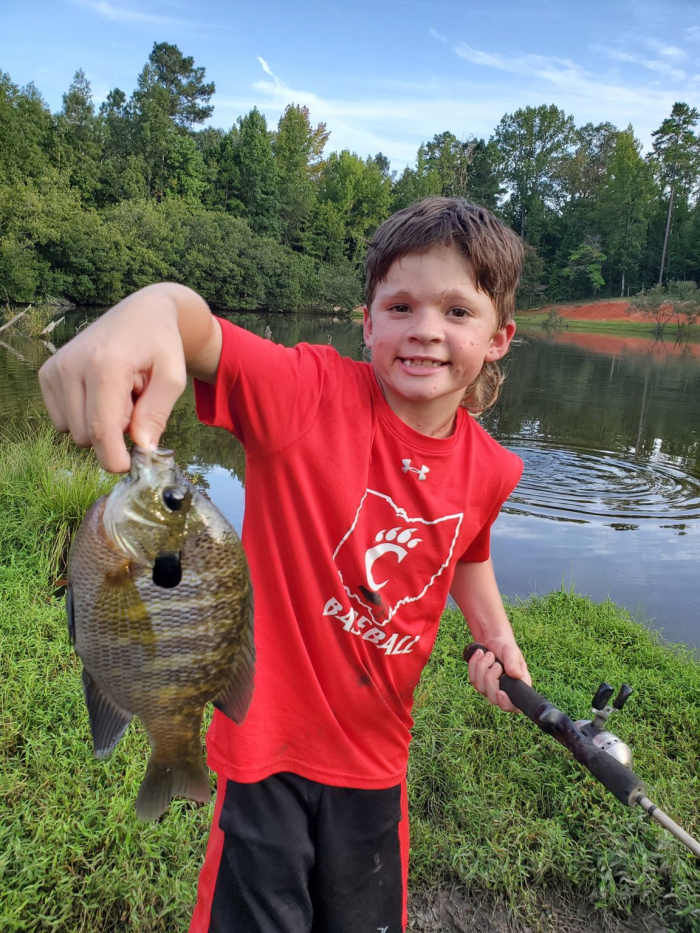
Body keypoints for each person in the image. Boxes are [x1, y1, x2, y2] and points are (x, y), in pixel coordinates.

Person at [39, 196, 531, 933]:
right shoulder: (307, 394)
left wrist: (495, 633)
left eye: (457, 311)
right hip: (263, 750)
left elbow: (465, 546)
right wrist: (153, 308)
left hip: (376, 758)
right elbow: (198, 331)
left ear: (500, 337)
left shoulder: (492, 466)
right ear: (366, 321)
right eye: (400, 305)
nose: (425, 329)